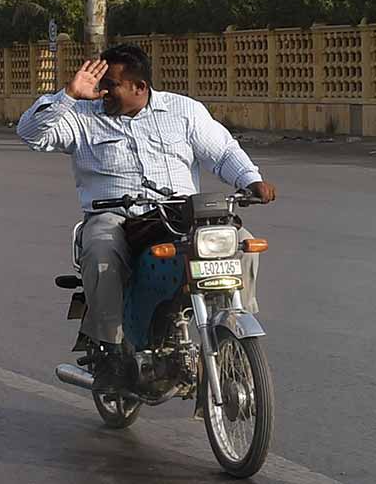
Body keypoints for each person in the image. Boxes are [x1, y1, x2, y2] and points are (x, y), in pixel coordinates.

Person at [16, 44, 276, 394]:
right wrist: (68, 94)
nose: (102, 91)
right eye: (100, 83)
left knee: (241, 242)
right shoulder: (81, 115)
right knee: (100, 253)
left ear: (139, 87)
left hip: (179, 213)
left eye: (111, 84)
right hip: (116, 217)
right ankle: (110, 349)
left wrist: (251, 180)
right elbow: (32, 134)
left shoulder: (183, 111)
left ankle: (230, 319)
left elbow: (222, 151)